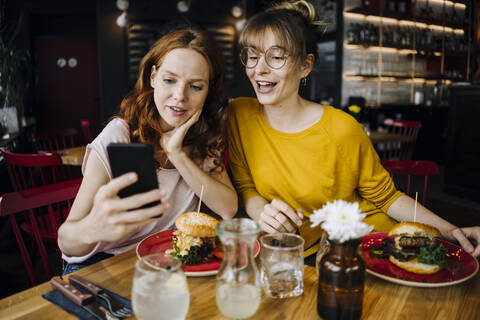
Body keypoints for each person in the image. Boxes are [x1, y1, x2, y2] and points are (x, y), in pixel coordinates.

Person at [228, 0, 480, 260]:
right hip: (294, 255)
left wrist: (451, 231)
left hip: (358, 250)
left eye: (276, 57)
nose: (259, 69)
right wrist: (261, 212)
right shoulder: (240, 114)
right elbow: (245, 186)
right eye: (253, 56)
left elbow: (386, 197)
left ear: (305, 65)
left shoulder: (342, 128)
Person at [58, 27, 238, 273]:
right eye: (169, 80)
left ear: (208, 91)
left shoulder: (203, 137)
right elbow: (66, 241)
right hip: (103, 264)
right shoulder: (119, 135)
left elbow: (228, 208)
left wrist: (176, 153)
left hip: (164, 261)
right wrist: (92, 227)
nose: (179, 96)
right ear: (153, 77)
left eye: (195, 86)